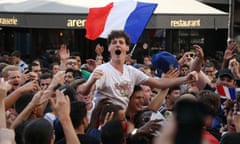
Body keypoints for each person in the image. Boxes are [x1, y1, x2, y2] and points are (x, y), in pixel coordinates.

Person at [79, 30, 197, 109]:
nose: (117, 45)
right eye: (114, 43)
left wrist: (186, 78)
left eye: (121, 42)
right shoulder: (103, 70)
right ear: (109, 48)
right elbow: (84, 91)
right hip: (104, 122)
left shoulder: (131, 71)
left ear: (127, 47)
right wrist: (91, 81)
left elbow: (159, 83)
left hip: (123, 121)